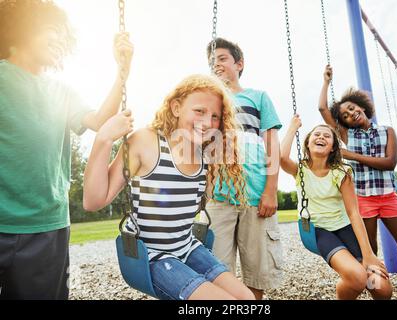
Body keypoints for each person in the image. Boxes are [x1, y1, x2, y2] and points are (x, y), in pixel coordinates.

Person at [0, 0, 134, 300]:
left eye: (64, 36)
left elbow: (100, 121)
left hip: (46, 226)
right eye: (52, 30)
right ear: (24, 26)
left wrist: (122, 70)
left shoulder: (61, 91)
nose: (60, 40)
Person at [83, 74, 255, 300]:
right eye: (199, 111)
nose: (207, 123)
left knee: (246, 299)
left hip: (188, 248)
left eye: (215, 116)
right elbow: (93, 201)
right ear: (176, 108)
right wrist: (104, 139)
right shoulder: (146, 141)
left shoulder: (205, 156)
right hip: (152, 257)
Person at [318, 65, 397, 299]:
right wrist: (326, 81)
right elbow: (322, 108)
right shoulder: (348, 135)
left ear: (361, 105)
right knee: (371, 252)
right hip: (363, 201)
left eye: (352, 108)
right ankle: (378, 294)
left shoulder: (387, 131)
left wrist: (352, 156)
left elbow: (389, 163)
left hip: (388, 197)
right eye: (345, 115)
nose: (350, 114)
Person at [205, 38, 283, 300]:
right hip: (219, 196)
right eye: (212, 61)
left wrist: (270, 191)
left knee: (255, 273)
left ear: (239, 64)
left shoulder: (258, 97)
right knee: (216, 270)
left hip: (256, 194)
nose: (216, 64)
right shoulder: (210, 101)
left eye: (222, 58)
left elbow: (273, 147)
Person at [281, 117, 392, 299]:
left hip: (344, 227)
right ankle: (350, 279)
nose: (321, 137)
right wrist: (293, 127)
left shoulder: (341, 172)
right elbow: (282, 157)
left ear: (333, 147)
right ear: (308, 143)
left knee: (381, 288)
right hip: (318, 230)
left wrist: (369, 255)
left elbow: (353, 212)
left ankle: (351, 277)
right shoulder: (300, 170)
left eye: (327, 136)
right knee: (357, 277)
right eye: (316, 134)